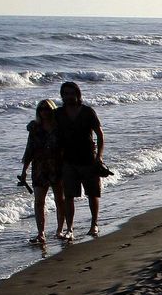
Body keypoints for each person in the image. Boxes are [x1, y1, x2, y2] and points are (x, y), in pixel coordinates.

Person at [54, 81, 107, 236]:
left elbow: (100, 134)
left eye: (72, 93)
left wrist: (99, 156)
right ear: (62, 96)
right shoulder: (58, 113)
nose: (69, 96)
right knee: (69, 196)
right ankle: (70, 228)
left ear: (78, 94)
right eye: (66, 94)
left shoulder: (87, 112)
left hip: (88, 159)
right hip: (68, 160)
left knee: (93, 193)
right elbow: (45, 124)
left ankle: (94, 224)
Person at [17, 99, 66, 244]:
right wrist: (24, 170)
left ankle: (60, 230)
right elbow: (29, 150)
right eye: (41, 109)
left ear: (52, 110)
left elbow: (66, 148)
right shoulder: (35, 128)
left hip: (57, 167)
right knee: (39, 201)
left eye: (47, 109)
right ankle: (41, 233)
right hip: (39, 168)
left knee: (60, 200)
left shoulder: (59, 127)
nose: (44, 112)